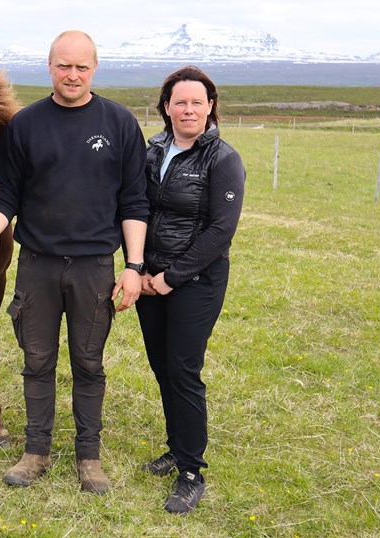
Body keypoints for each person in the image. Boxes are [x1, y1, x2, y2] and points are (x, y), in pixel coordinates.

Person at [0, 30, 148, 493]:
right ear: (50, 67)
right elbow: (6, 193)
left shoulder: (120, 124)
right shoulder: (26, 125)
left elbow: (134, 202)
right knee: (37, 359)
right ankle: (36, 451)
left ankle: (89, 458)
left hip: (93, 268)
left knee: (89, 363)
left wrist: (133, 266)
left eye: (81, 66)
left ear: (94, 69)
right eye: (64, 65)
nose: (73, 74)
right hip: (38, 264)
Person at [136, 65, 245, 514]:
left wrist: (171, 277)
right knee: (162, 367)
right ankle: (177, 446)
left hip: (195, 281)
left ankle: (190, 471)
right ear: (166, 107)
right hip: (149, 279)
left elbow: (221, 231)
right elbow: (137, 205)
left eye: (197, 102)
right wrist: (138, 268)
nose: (188, 109)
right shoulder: (154, 148)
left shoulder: (222, 159)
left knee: (183, 370)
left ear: (210, 107)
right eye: (179, 102)